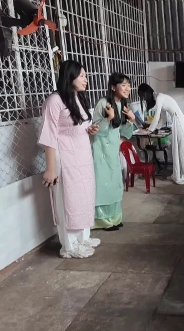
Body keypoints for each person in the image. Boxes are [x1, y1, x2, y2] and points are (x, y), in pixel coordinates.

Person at [37, 60, 100, 259]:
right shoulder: (54, 101)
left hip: (82, 156)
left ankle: (83, 237)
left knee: (83, 197)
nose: (86, 79)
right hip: (65, 159)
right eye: (82, 75)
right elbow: (49, 134)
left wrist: (89, 129)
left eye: (85, 76)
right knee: (68, 200)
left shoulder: (78, 98)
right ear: (70, 76)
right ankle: (69, 245)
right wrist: (50, 168)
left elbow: (77, 126)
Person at [90, 73, 136, 231]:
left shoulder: (122, 105)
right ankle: (102, 221)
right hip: (101, 149)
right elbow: (95, 130)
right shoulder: (103, 103)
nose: (127, 88)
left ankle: (115, 218)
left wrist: (131, 120)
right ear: (113, 87)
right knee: (103, 184)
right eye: (123, 85)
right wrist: (108, 118)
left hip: (113, 151)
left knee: (116, 185)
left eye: (128, 85)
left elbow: (125, 133)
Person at [138, 83, 184, 185]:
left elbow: (157, 115)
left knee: (183, 150)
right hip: (177, 122)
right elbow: (163, 119)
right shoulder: (160, 98)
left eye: (143, 97)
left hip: (180, 122)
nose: (144, 100)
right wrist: (153, 129)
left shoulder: (160, 97)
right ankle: (179, 174)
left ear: (146, 93)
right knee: (179, 150)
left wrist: (149, 130)